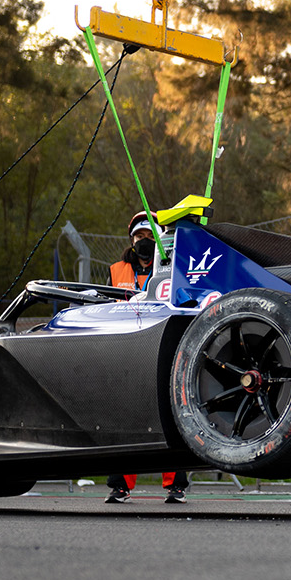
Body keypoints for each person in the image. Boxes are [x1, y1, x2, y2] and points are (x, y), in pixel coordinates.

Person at [101, 212, 192, 504]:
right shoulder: (116, 269)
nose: (145, 242)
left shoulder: (174, 267)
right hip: (124, 347)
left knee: (170, 413)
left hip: (163, 345)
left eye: (150, 237)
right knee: (123, 417)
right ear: (132, 240)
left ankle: (175, 484)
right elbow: (102, 305)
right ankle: (121, 485)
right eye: (140, 237)